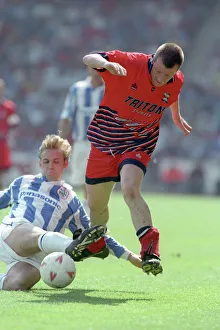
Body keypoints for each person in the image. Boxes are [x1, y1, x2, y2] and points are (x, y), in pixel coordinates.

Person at [82, 43, 192, 275]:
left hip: (139, 141)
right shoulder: (130, 62)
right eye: (158, 71)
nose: (161, 78)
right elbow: (88, 57)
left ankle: (150, 250)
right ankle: (97, 242)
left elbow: (172, 94)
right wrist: (106, 64)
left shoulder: (177, 80)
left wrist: (175, 114)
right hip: (105, 140)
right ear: (153, 60)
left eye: (168, 75)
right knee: (96, 205)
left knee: (130, 189)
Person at [0, 134, 141, 291]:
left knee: (17, 284)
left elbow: (94, 233)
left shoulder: (71, 200)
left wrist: (131, 257)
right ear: (40, 163)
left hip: (34, 257)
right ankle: (72, 247)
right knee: (37, 233)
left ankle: (74, 247)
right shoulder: (23, 182)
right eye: (46, 161)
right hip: (11, 235)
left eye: (56, 161)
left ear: (65, 163)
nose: (50, 166)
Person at [58, 67, 104, 213]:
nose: (97, 70)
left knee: (97, 180)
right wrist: (59, 140)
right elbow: (67, 116)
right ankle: (90, 210)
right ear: (88, 68)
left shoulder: (111, 89)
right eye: (94, 66)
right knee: (84, 179)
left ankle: (93, 211)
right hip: (82, 142)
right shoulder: (77, 89)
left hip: (104, 144)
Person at [0, 79, 20, 189]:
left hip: (3, 142)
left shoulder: (9, 106)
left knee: (2, 171)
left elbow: (14, 123)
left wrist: (11, 138)